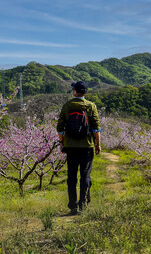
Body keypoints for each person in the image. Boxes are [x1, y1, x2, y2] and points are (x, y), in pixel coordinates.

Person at [57, 81, 101, 215]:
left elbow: (60, 127)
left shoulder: (68, 105)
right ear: (85, 93)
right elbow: (96, 128)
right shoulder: (91, 106)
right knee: (85, 175)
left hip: (70, 147)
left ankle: (73, 206)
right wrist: (98, 144)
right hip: (87, 146)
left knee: (71, 176)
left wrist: (61, 142)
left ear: (75, 92)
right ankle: (83, 205)